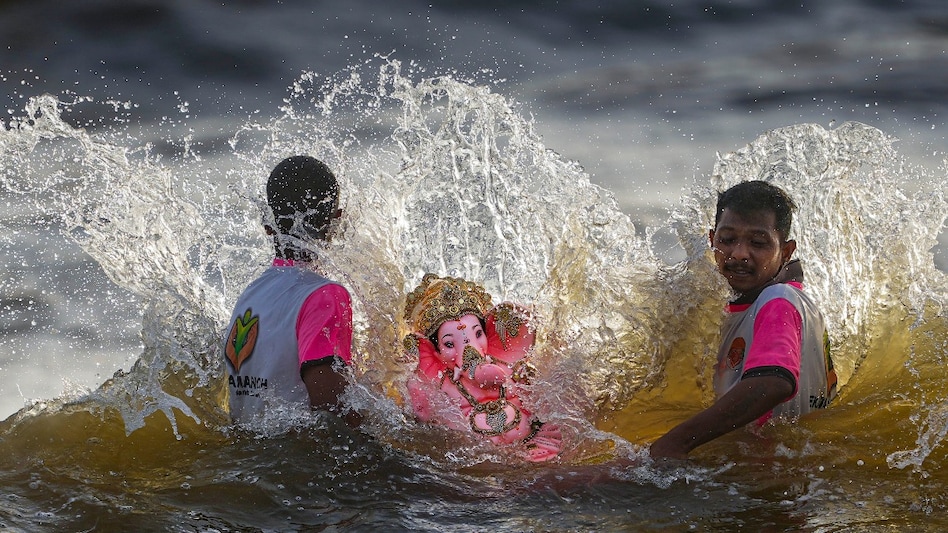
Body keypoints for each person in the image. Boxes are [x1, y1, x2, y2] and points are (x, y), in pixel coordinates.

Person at [650, 180, 837, 459]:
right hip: (780, 466)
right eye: (727, 240)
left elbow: (773, 382)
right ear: (712, 239)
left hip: (771, 474)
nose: (738, 253)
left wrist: (674, 444)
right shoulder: (759, 303)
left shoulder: (779, 301)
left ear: (786, 252)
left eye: (758, 243)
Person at [223, 155, 359, 426]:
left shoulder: (252, 294)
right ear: (336, 221)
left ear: (268, 225)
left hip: (252, 457)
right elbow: (333, 413)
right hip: (297, 463)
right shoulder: (325, 295)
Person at [403, 273, 561, 462]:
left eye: (478, 334)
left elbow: (536, 400)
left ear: (491, 333)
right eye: (450, 345)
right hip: (477, 457)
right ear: (433, 353)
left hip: (531, 444)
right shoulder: (440, 384)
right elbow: (425, 416)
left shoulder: (508, 367)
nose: (470, 349)